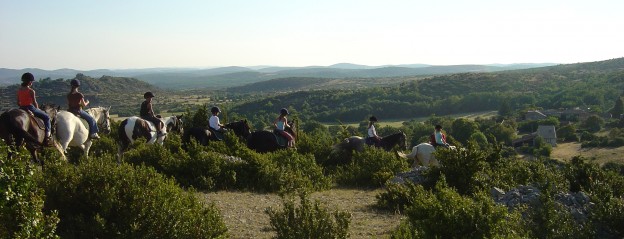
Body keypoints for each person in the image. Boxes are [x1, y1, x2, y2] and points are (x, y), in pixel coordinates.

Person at [16, 72, 53, 145]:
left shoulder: (19, 90)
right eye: (32, 81)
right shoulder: (31, 91)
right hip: (30, 107)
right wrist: (38, 109)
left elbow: (18, 102)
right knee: (47, 117)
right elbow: (34, 102)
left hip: (21, 108)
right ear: (30, 82)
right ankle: (47, 135)